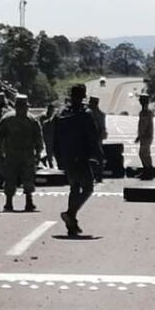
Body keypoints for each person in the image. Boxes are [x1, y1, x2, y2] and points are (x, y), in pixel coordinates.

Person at [54, 84, 102, 236]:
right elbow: (92, 137)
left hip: (67, 157)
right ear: (83, 96)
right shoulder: (85, 114)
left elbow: (55, 137)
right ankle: (70, 213)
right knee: (88, 188)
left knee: (74, 187)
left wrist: (58, 156)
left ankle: (72, 225)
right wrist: (98, 156)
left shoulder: (61, 113)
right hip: (81, 157)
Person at [0, 95, 44, 212]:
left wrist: (38, 153)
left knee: (24, 178)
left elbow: (38, 138)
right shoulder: (30, 120)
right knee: (12, 178)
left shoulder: (9, 119)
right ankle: (10, 202)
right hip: (17, 155)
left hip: (21, 155)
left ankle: (26, 202)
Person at [133, 94, 155, 179]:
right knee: (145, 154)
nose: (139, 101)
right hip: (146, 136)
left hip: (146, 136)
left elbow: (144, 125)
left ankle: (148, 171)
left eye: (141, 100)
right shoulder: (145, 111)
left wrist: (140, 135)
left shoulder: (145, 112)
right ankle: (148, 171)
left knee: (143, 154)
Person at [88, 96, 108, 183]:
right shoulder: (97, 114)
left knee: (97, 157)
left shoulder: (96, 114)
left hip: (94, 139)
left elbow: (102, 128)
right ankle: (95, 175)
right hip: (91, 139)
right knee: (96, 157)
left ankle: (97, 175)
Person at [40, 103, 58, 168]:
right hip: (47, 135)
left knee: (53, 150)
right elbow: (43, 125)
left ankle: (44, 159)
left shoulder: (52, 116)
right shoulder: (44, 116)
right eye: (51, 109)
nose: (52, 111)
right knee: (49, 149)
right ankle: (50, 164)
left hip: (52, 134)